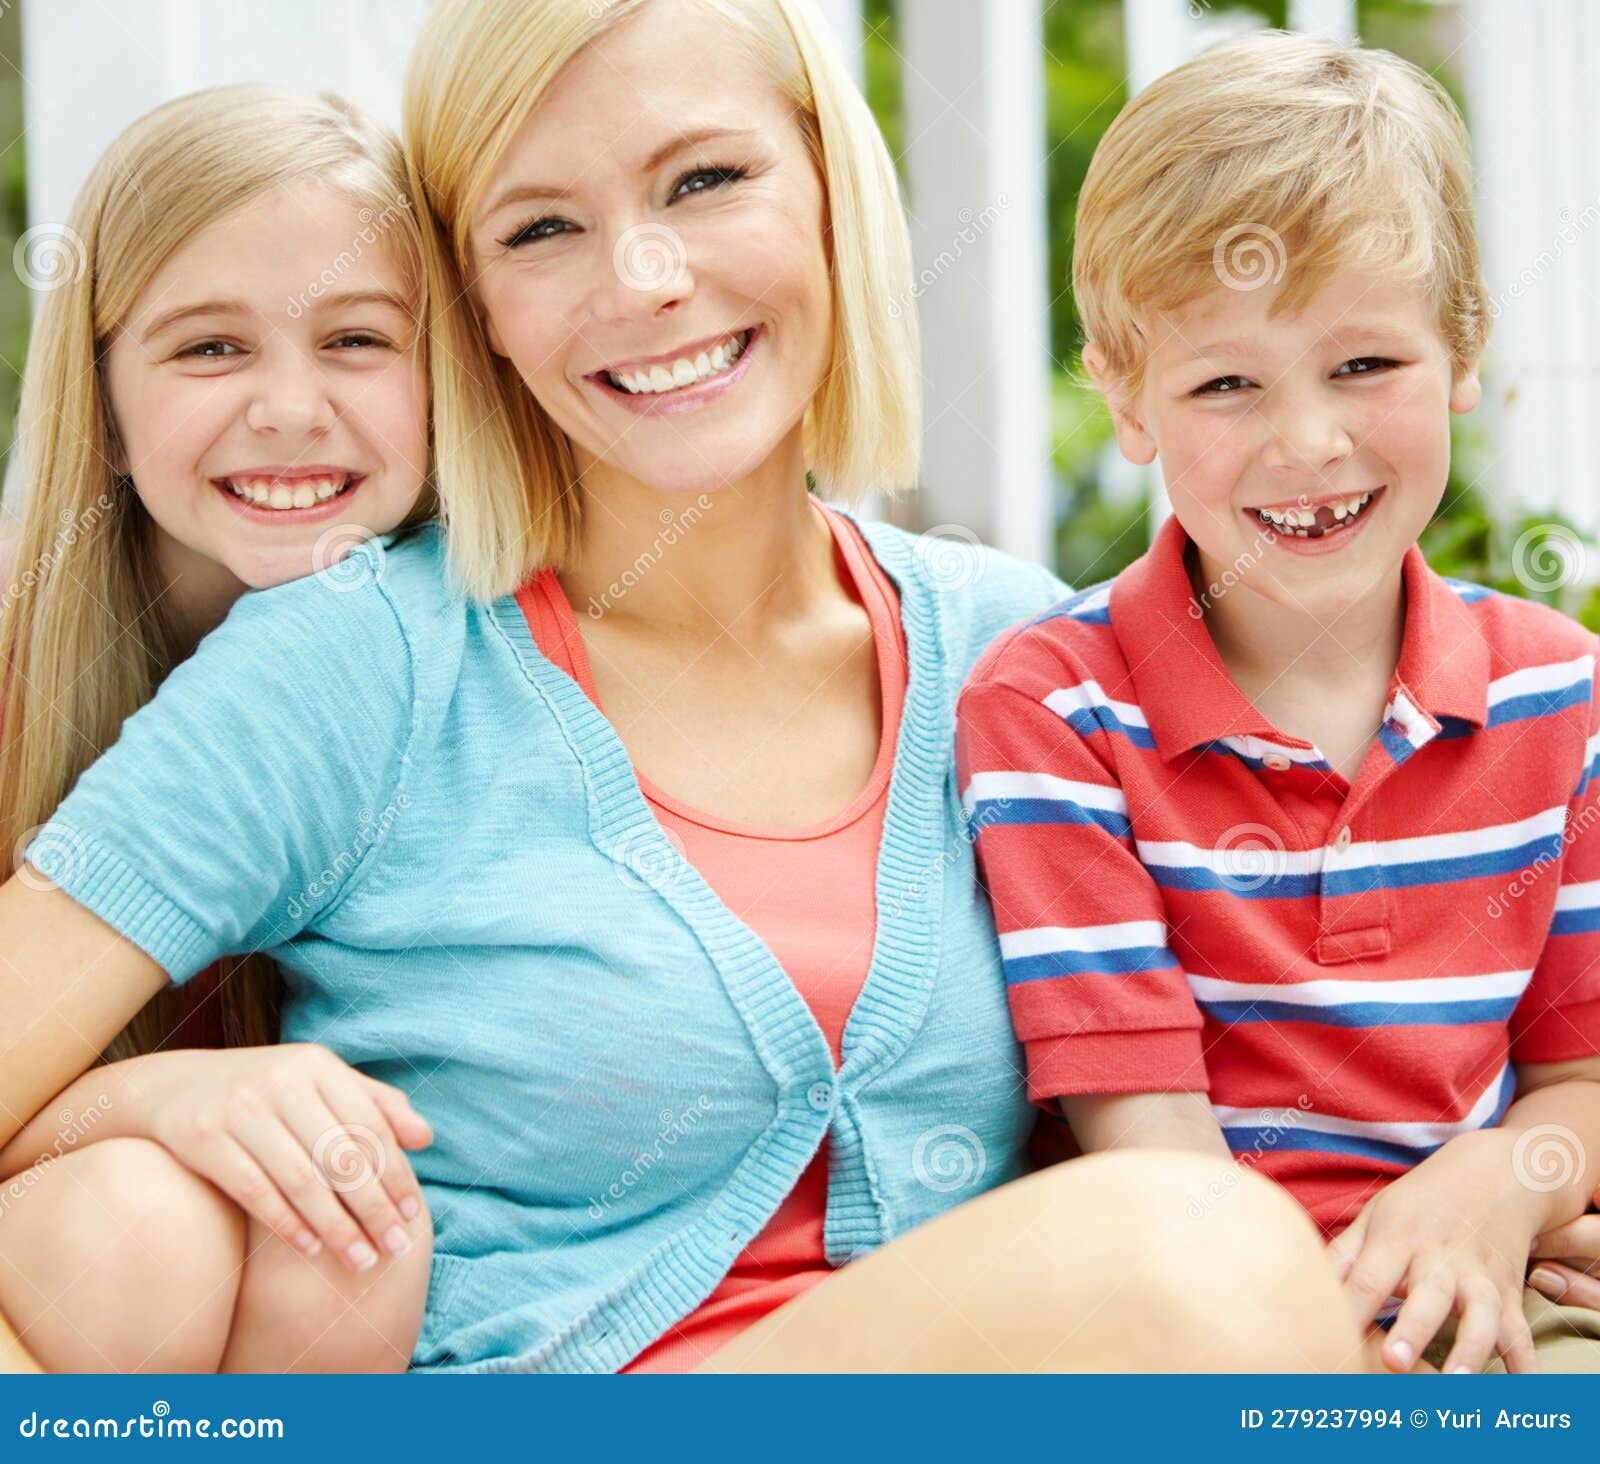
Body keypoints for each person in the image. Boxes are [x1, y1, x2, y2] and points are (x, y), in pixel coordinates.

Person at [0, 1, 1360, 1375]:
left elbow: (1326, 1052)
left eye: (705, 182)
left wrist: (1520, 1172)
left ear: (835, 191)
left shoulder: (1021, 655)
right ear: (481, 316)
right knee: (1188, 1251)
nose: (645, 279)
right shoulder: (360, 666)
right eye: (541, 229)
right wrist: (146, 1103)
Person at [955, 29, 1600, 1376]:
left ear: (1463, 348)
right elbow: (1156, 1158)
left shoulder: (1562, 699)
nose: (1309, 441)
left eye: (1365, 366)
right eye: (1227, 383)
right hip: (1200, 1326)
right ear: (1127, 395)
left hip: (1492, 1290)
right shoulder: (1057, 713)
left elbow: (1580, 1085)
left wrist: (1499, 1181)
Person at [0, 84, 438, 1373]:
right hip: (77, 1274)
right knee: (142, 1222)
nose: (290, 408)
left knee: (337, 1215)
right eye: (207, 349)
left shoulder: (478, 672)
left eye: (357, 340)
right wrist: (156, 1097)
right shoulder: (21, 678)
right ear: (106, 402)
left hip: (306, 1323)